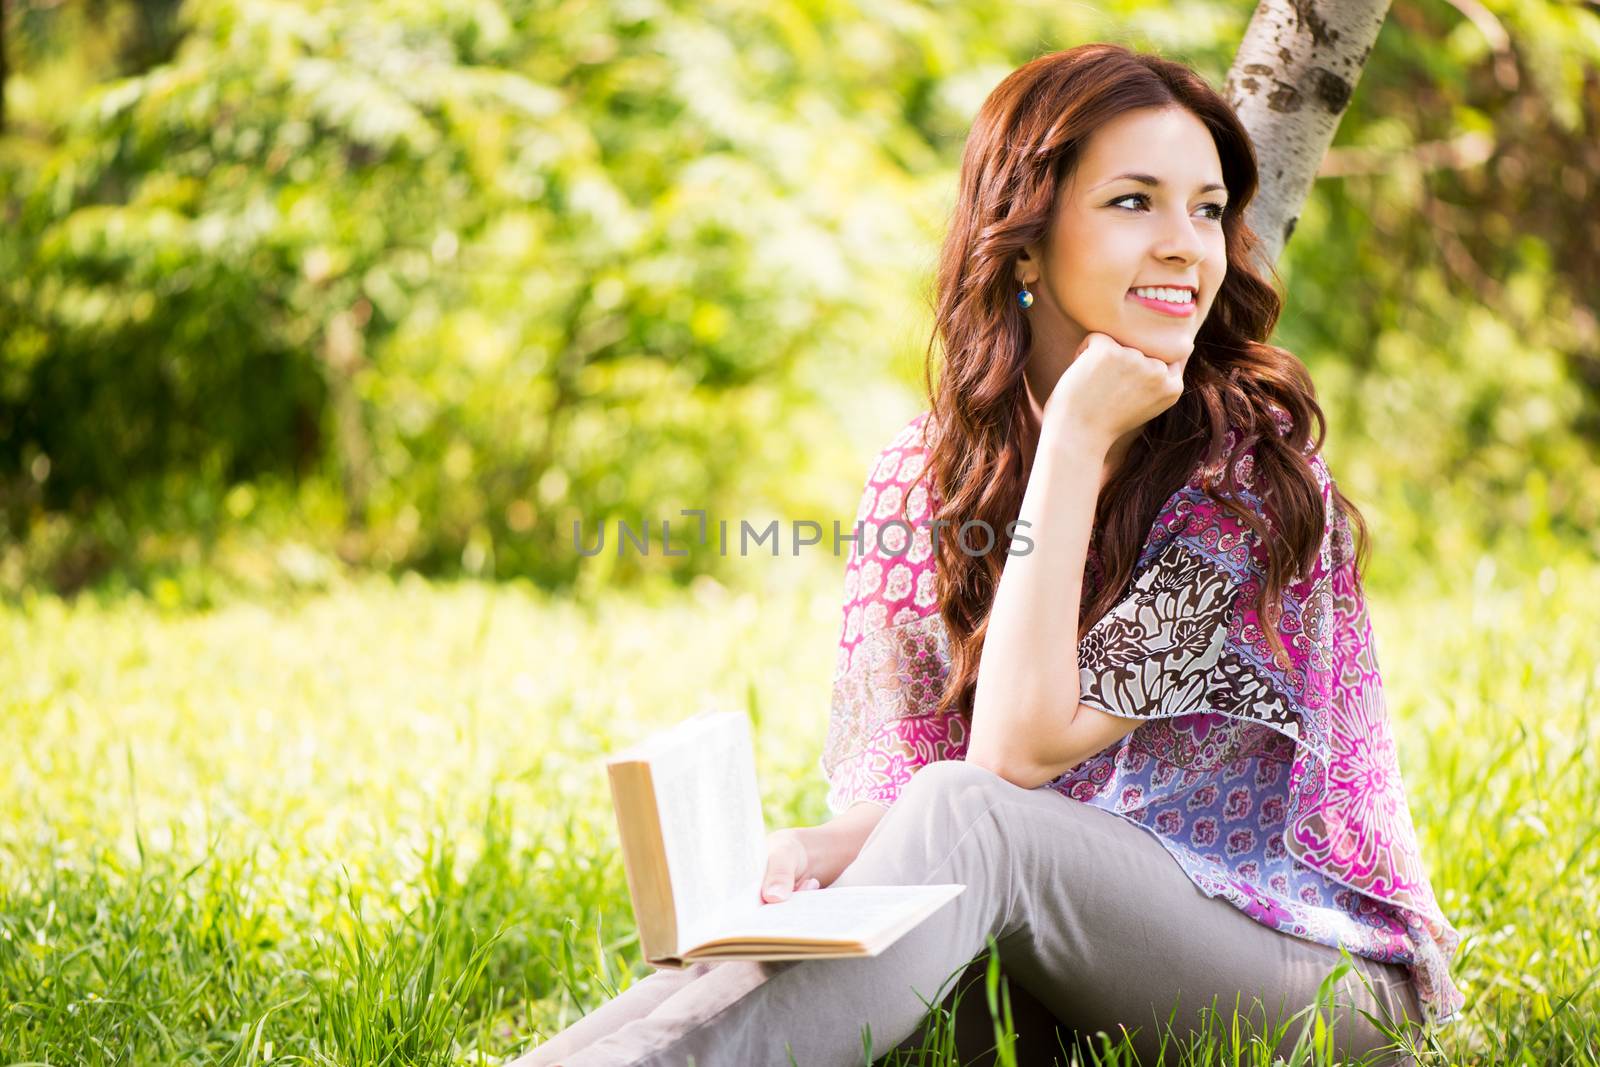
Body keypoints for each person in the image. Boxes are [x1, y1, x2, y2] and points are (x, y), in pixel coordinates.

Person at [513, 42, 1465, 1067]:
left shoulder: (1243, 476)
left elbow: (1009, 762)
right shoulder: (920, 474)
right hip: (1053, 953)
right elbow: (921, 793)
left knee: (973, 819)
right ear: (1021, 243)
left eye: (1205, 207)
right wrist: (802, 851)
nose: (1187, 246)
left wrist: (1072, 443)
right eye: (1133, 202)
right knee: (813, 928)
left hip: (1299, 975)